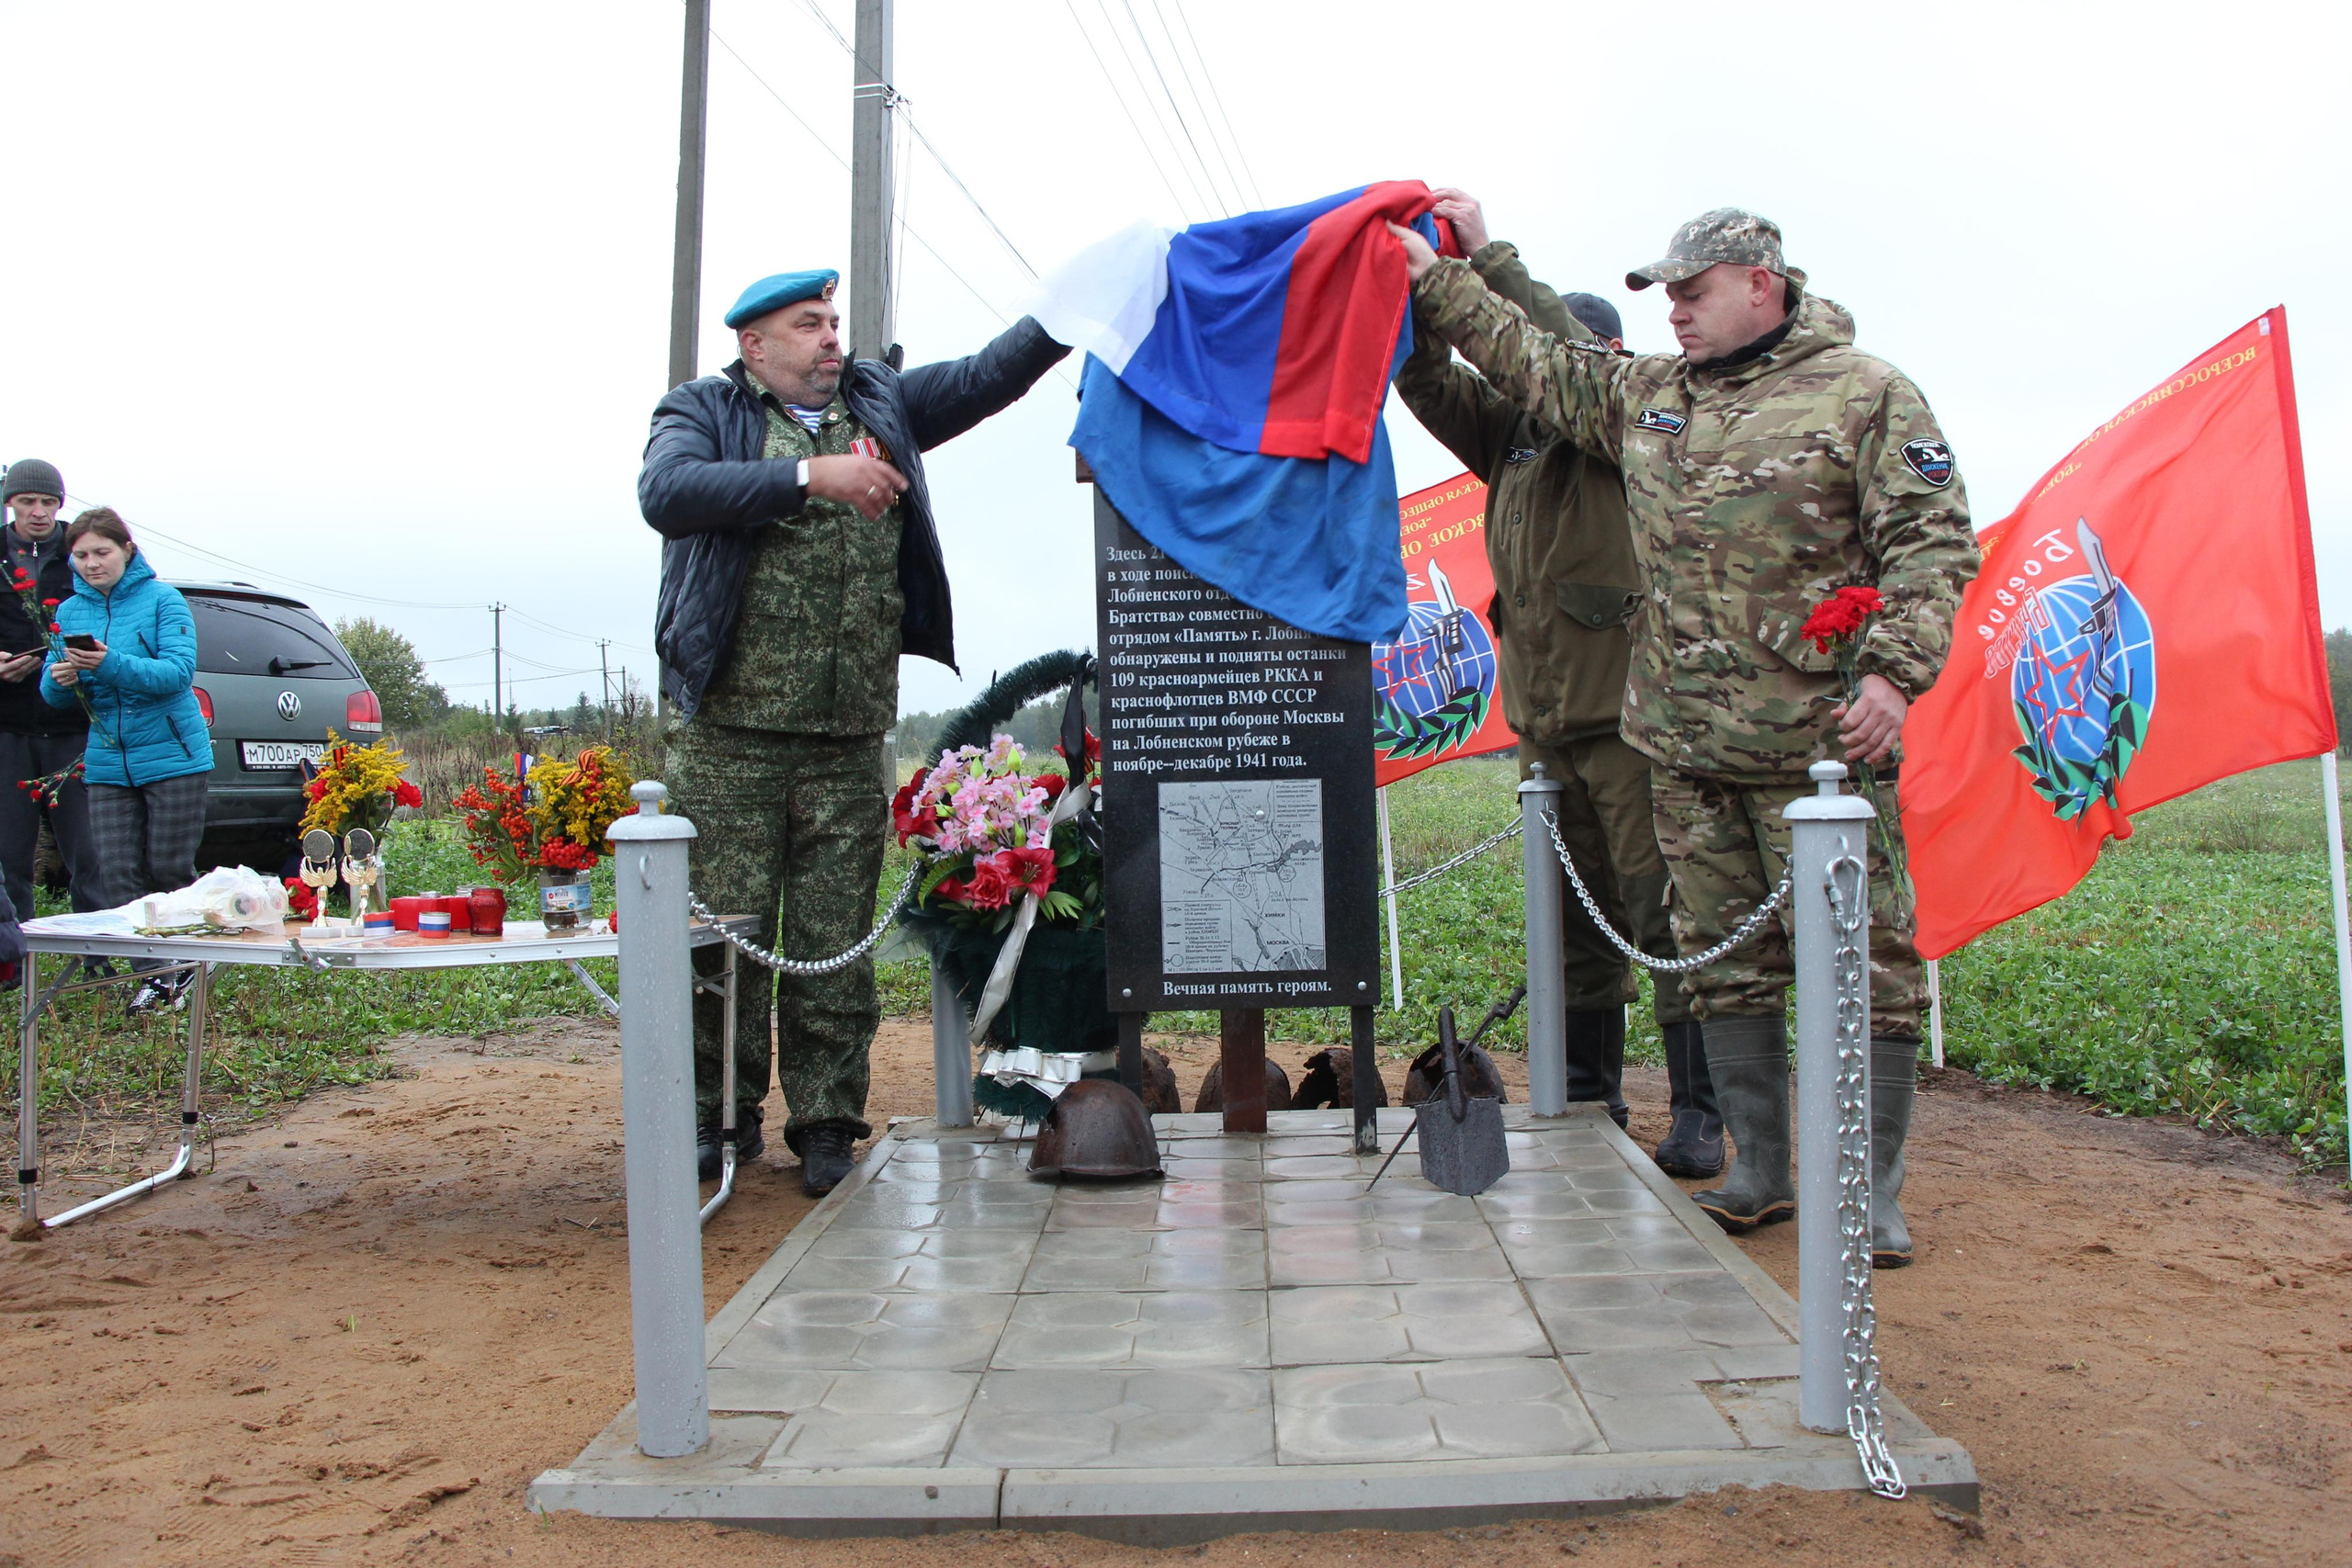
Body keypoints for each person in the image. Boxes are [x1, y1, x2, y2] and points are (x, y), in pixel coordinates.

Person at [1394, 208, 1980, 1266]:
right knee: (1725, 970)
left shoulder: (1866, 393)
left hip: (1821, 748)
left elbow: (1932, 539)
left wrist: (1896, 673)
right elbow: (1526, 356)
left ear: (1760, 283)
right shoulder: (1651, 399)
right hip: (1682, 751)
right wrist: (1438, 272)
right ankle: (1758, 1164)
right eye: (1665, 293)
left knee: (1865, 965)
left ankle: (1867, 1190)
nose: (1673, 309)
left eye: (1691, 290)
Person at [639, 267, 1068, 1195]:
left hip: (846, 738)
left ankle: (828, 1126)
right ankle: (720, 1122)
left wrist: (1062, 317)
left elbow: (985, 377)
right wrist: (807, 476)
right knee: (724, 946)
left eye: (835, 322)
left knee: (835, 949)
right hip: (732, 739)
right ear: (756, 346)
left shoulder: (882, 403)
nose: (832, 338)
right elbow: (667, 494)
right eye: (809, 325)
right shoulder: (703, 412)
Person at [1393, 195, 1720, 1179]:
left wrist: (1490, 261)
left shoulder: (1634, 421)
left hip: (1633, 721)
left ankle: (1701, 1112)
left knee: (1666, 916)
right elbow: (1425, 380)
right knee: (1575, 928)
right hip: (1545, 724)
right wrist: (1405, 296)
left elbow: (1569, 355)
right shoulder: (1517, 437)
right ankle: (1589, 1098)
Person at [42, 508, 214, 1014]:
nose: (93, 564)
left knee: (168, 866)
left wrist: (109, 663)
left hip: (174, 755)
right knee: (117, 873)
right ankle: (155, 978)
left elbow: (177, 674)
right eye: (82, 555)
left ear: (127, 551)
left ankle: (185, 963)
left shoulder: (164, 600)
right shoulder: (71, 611)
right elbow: (56, 696)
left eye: (102, 552)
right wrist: (57, 681)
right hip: (109, 760)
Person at [0, 460, 99, 929]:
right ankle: (13, 957)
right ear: (10, 504)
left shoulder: (81, 552)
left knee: (87, 851)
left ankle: (97, 952)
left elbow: (110, 611)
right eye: (28, 502)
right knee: (9, 853)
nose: (39, 512)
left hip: (71, 724)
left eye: (49, 502)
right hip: (7, 725)